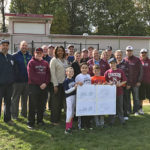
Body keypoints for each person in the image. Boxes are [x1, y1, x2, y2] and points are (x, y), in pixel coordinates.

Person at [27, 47, 50, 129]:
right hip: (34, 86)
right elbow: (31, 75)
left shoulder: (45, 63)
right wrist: (40, 83)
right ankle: (30, 122)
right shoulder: (31, 62)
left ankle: (40, 120)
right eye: (37, 53)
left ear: (43, 54)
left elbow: (48, 74)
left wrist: (45, 83)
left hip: (44, 87)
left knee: (41, 104)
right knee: (32, 105)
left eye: (40, 53)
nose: (39, 54)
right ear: (34, 53)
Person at [11, 41, 32, 119]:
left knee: (25, 99)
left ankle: (23, 114)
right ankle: (14, 115)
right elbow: (11, 68)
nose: (24, 47)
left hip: (27, 81)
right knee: (15, 99)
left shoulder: (30, 56)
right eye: (23, 45)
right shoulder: (14, 56)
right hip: (17, 82)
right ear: (20, 46)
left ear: (27, 47)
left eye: (26, 46)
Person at [104, 58, 127, 125]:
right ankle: (111, 121)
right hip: (110, 93)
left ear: (116, 63)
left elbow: (125, 80)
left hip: (119, 91)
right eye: (111, 63)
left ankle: (122, 120)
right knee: (111, 106)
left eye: (114, 63)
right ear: (109, 64)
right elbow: (104, 81)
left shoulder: (120, 71)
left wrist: (120, 84)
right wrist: (109, 84)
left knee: (120, 106)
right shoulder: (107, 72)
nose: (112, 65)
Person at [50, 46, 68, 125]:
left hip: (63, 84)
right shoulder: (54, 60)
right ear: (56, 52)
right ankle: (54, 120)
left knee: (61, 103)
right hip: (56, 84)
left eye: (62, 51)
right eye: (59, 51)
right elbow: (52, 73)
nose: (60, 52)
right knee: (55, 103)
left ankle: (59, 118)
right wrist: (55, 85)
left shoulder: (65, 61)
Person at [124, 46, 143, 116]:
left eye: (130, 51)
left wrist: (139, 81)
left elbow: (141, 71)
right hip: (127, 83)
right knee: (127, 98)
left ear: (132, 51)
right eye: (128, 51)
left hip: (135, 83)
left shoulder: (137, 60)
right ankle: (128, 110)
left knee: (136, 98)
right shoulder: (124, 60)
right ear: (126, 52)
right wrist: (126, 82)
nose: (129, 52)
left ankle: (136, 111)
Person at [0, 40, 15, 124]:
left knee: (8, 102)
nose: (5, 47)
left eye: (6, 45)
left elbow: (14, 70)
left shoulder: (11, 57)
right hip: (0, 85)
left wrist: (12, 80)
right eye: (3, 45)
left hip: (9, 85)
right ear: (0, 46)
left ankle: (7, 119)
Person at [75, 63, 92, 130]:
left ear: (88, 69)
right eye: (83, 68)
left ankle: (88, 124)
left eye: (86, 68)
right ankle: (81, 125)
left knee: (88, 110)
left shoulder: (89, 76)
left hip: (88, 97)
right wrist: (78, 83)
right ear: (80, 69)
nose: (84, 69)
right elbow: (75, 85)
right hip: (81, 97)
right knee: (82, 110)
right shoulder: (78, 76)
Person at [63, 67, 78, 134]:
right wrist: (74, 88)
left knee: (72, 112)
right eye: (69, 72)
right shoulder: (65, 81)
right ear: (66, 73)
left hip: (74, 96)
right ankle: (67, 128)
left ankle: (70, 126)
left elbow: (74, 87)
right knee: (69, 112)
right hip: (69, 97)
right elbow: (66, 91)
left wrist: (76, 85)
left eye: (72, 72)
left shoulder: (73, 79)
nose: (71, 73)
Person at [115, 50, 129, 120]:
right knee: (117, 101)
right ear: (115, 55)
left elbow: (128, 74)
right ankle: (118, 113)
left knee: (124, 100)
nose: (118, 56)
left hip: (123, 85)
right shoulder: (113, 63)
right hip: (115, 86)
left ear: (122, 55)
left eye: (120, 55)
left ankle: (125, 114)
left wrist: (128, 83)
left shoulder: (126, 63)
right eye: (117, 55)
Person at [139, 48, 150, 114]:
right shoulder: (138, 61)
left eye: (145, 53)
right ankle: (140, 109)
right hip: (141, 82)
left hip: (149, 82)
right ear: (140, 54)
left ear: (146, 53)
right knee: (141, 97)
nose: (143, 54)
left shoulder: (149, 61)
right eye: (142, 53)